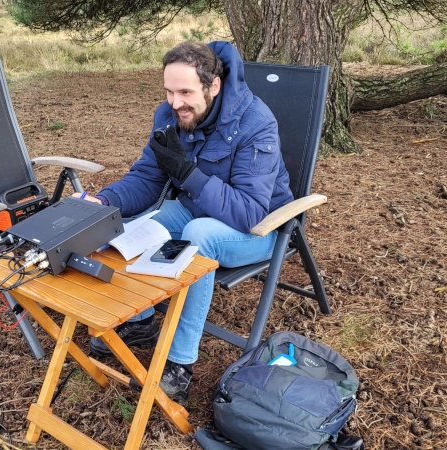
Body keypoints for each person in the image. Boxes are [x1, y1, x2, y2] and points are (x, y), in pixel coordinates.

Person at [77, 41, 293, 405]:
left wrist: (188, 174)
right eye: (169, 91)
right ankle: (140, 321)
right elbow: (147, 178)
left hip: (261, 229)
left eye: (185, 93)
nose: (175, 103)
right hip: (199, 209)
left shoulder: (255, 123)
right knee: (136, 227)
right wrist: (102, 202)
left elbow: (249, 212)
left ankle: (179, 363)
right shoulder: (169, 116)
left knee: (197, 235)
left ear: (214, 86)